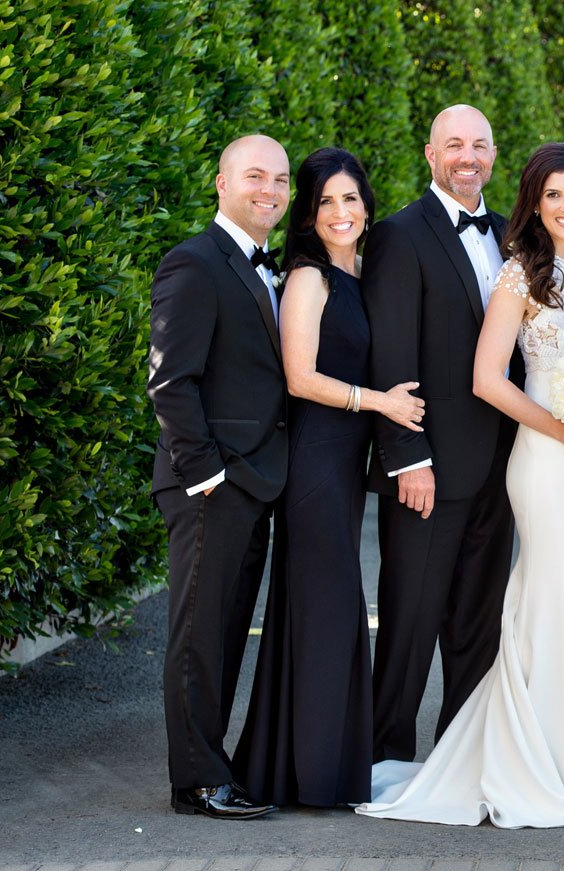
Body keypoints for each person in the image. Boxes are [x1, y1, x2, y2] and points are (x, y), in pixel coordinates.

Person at [358, 143, 564, 828]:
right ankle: (535, 764)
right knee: (550, 593)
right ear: (536, 204)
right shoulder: (518, 275)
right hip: (541, 457)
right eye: (554, 195)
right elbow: (487, 378)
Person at [231, 148, 424, 807]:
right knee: (328, 608)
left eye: (350, 199)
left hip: (345, 468)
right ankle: (314, 775)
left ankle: (310, 769)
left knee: (330, 610)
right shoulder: (309, 277)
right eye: (325, 203)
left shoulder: (367, 272)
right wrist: (381, 402)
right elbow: (300, 377)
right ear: (309, 216)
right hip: (315, 461)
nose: (340, 213)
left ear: (366, 204)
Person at [363, 104, 519, 765]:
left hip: (504, 467)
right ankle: (384, 757)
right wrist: (408, 458)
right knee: (409, 620)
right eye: (454, 144)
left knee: (476, 628)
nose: (467, 156)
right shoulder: (401, 235)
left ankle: (460, 758)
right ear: (430, 154)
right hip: (429, 465)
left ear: (492, 154)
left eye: (479, 144)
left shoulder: (514, 234)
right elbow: (391, 354)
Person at [148, 134, 291, 819]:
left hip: (256, 480)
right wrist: (205, 477)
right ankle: (197, 781)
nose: (269, 189)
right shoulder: (194, 262)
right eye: (255, 176)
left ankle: (214, 763)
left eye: (280, 179)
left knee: (229, 629)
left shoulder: (271, 267)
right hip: (211, 484)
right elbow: (170, 381)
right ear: (221, 183)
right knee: (199, 632)